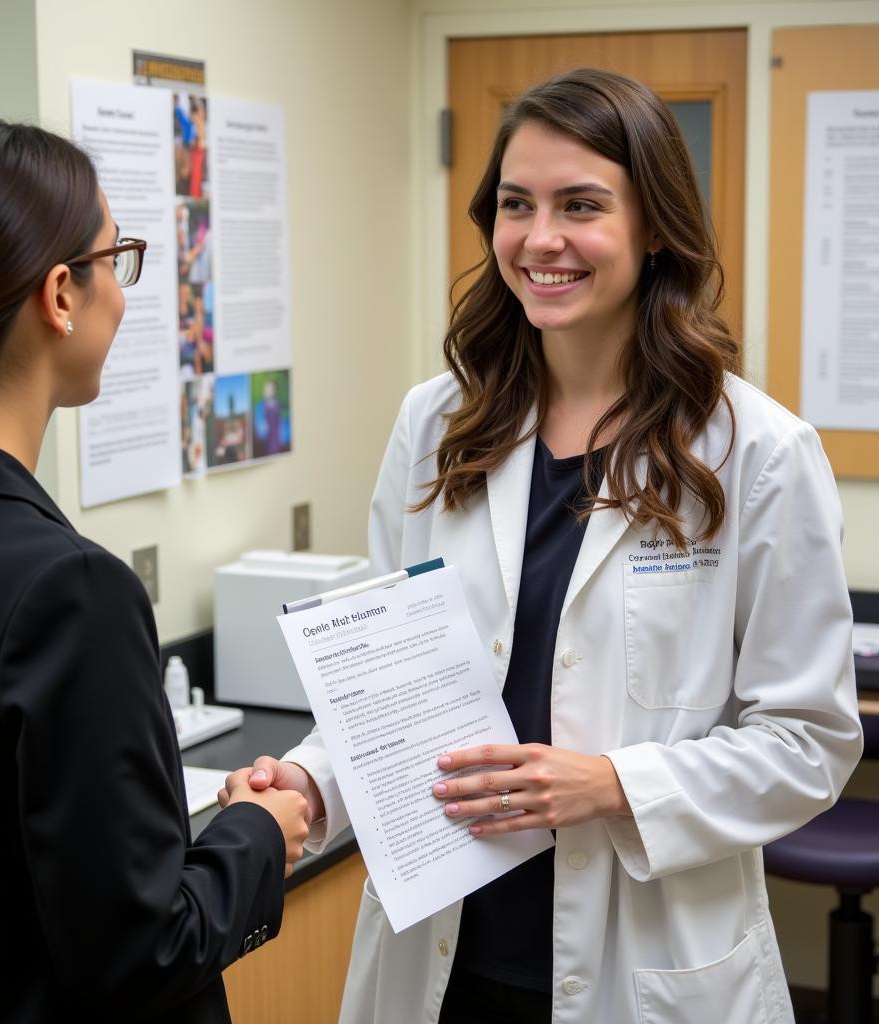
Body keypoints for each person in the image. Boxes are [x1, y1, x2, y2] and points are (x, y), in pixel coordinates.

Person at [228, 68, 862, 1023]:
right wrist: (313, 783)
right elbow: (389, 695)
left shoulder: (754, 451)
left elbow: (810, 741)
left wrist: (612, 784)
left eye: (582, 205)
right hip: (441, 957)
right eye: (517, 205)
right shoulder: (438, 423)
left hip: (644, 966)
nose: (541, 238)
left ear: (655, 228)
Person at [0, 119, 309, 1024]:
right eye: (119, 260)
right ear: (61, 294)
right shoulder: (70, 591)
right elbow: (139, 952)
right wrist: (263, 832)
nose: (125, 295)